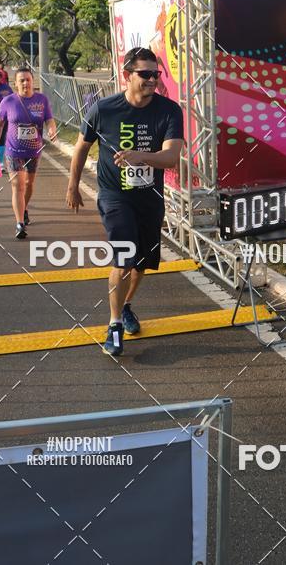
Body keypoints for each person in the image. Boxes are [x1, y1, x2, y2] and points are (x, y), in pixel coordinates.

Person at [66, 47, 184, 357]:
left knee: (142, 262)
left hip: (150, 197)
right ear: (127, 75)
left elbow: (171, 157)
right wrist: (73, 185)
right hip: (114, 195)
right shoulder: (103, 109)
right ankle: (114, 324)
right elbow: (81, 147)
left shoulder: (169, 110)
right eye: (145, 74)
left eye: (156, 74)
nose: (152, 80)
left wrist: (140, 156)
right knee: (123, 256)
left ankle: (127, 304)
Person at [0, 66, 57, 239]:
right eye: (21, 80)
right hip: (13, 150)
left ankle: (24, 208)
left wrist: (52, 129)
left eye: (28, 80)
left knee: (29, 184)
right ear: (15, 83)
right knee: (18, 186)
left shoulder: (41, 100)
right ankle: (20, 223)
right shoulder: (8, 101)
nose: (25, 83)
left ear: (33, 81)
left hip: (34, 150)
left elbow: (49, 119)